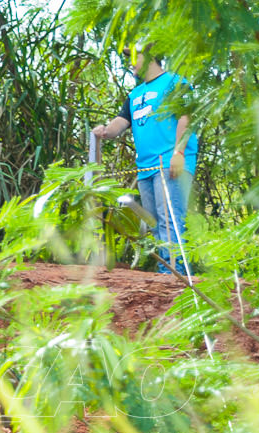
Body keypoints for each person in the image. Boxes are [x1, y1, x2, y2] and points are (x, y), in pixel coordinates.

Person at [93, 45, 198, 275]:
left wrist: (179, 153)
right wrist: (104, 131)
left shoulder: (175, 82)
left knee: (170, 221)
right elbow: (121, 122)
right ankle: (166, 271)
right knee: (154, 225)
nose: (130, 62)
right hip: (146, 169)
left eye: (133, 56)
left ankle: (175, 275)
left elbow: (187, 116)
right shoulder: (134, 95)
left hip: (170, 163)